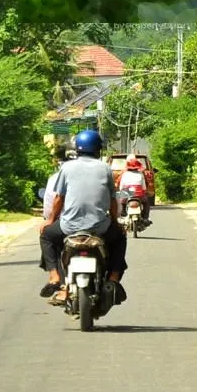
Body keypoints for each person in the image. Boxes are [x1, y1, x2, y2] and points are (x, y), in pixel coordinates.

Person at [38, 129, 128, 306]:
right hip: (99, 227)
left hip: (69, 227)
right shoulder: (105, 169)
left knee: (47, 236)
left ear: (77, 149)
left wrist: (50, 221)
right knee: (120, 238)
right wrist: (115, 222)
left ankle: (55, 277)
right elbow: (112, 199)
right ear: (98, 149)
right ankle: (114, 278)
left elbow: (59, 198)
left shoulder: (66, 168)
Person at [118, 157, 150, 222]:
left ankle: (123, 213)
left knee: (121, 202)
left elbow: (121, 186)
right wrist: (144, 191)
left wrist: (121, 191)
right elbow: (144, 187)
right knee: (146, 203)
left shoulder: (125, 174)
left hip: (127, 193)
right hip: (139, 194)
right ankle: (145, 218)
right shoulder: (140, 174)